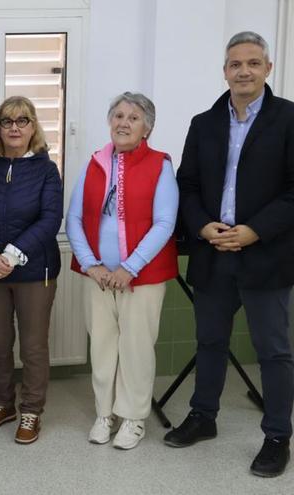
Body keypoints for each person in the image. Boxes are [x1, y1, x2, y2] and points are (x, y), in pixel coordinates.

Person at [167, 31, 294, 477]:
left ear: (268, 69)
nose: (244, 71)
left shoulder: (289, 119)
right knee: (210, 341)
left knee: (273, 350)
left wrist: (253, 231)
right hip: (212, 251)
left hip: (267, 253)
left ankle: (278, 435)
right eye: (236, 64)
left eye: (253, 63)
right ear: (224, 70)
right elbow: (186, 185)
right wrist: (202, 225)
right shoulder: (203, 122)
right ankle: (204, 417)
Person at [66, 92, 178, 450]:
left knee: (136, 348)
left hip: (141, 278)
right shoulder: (95, 163)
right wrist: (91, 265)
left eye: (133, 117)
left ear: (147, 127)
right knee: (101, 346)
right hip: (98, 277)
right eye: (117, 115)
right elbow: (75, 219)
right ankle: (105, 413)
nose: (123, 123)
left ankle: (133, 418)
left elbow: (164, 223)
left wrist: (130, 267)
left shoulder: (160, 164)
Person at [0, 96, 63, 444]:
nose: (14, 128)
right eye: (7, 121)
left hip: (34, 272)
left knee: (34, 347)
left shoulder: (46, 169)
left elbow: (50, 219)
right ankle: (3, 404)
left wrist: (11, 254)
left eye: (22, 121)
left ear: (33, 127)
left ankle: (31, 411)